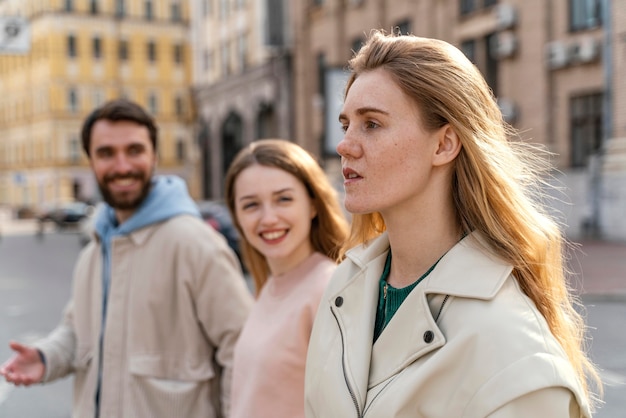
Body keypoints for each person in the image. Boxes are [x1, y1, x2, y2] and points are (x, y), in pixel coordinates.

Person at [304, 30, 602, 417]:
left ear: (444, 144)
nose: (345, 144)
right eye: (346, 125)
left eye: (372, 124)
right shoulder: (343, 286)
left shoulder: (517, 359)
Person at [0, 99, 253, 417]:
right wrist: (47, 356)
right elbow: (79, 330)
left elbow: (243, 353)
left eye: (134, 150)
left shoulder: (196, 244)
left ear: (154, 156)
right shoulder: (95, 248)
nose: (122, 166)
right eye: (106, 153)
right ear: (91, 161)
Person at [224, 139, 349, 418]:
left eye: (283, 199)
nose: (268, 218)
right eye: (251, 205)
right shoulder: (270, 285)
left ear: (313, 205)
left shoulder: (328, 289)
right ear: (237, 217)